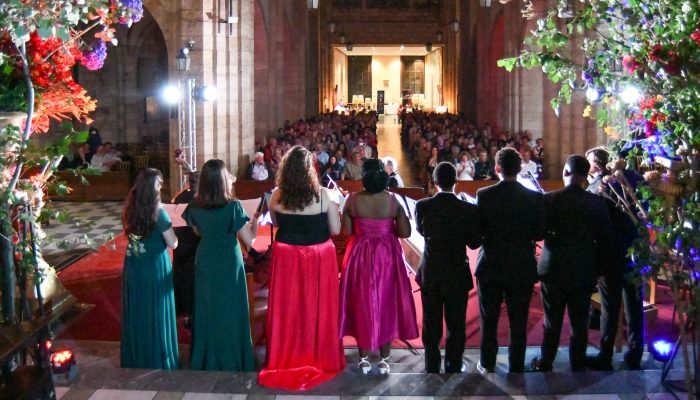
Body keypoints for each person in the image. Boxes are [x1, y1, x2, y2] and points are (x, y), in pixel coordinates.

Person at [258, 145, 345, 390]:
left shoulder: (277, 195)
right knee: (317, 305)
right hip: (317, 255)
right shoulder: (324, 195)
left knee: (289, 305)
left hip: (287, 255)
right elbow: (336, 230)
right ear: (310, 170)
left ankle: (287, 354)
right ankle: (317, 354)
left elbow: (276, 223)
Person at [530, 155, 611, 372]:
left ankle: (546, 361)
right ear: (586, 176)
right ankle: (577, 362)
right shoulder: (596, 202)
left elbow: (537, 232)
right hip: (583, 266)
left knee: (552, 319)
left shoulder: (548, 199)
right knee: (579, 320)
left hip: (554, 266)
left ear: (565, 172)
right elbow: (604, 239)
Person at [339, 158, 417, 375]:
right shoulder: (393, 200)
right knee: (386, 302)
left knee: (361, 301)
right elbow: (405, 232)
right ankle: (384, 359)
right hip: (386, 256)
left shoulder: (353, 200)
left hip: (360, 254)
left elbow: (347, 232)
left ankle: (363, 358)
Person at [183, 159, 259, 371]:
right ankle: (233, 355)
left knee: (208, 307)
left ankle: (206, 356)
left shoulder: (194, 205)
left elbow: (198, 231)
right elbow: (249, 240)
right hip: (229, 260)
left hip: (206, 257)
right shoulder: (233, 207)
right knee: (231, 308)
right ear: (225, 180)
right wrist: (255, 223)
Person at [475, 147, 546, 373]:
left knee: (489, 318)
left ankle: (487, 362)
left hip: (492, 264)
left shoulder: (484, 195)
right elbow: (539, 233)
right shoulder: (533, 197)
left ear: (497, 168)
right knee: (519, 319)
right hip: (521, 265)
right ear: (520, 169)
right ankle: (516, 364)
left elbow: (479, 230)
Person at [415, 162, 481, 373]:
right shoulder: (468, 209)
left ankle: (432, 365)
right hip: (456, 271)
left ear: (434, 182)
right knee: (456, 323)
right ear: (456, 181)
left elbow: (421, 230)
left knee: (431, 322)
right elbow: (474, 243)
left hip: (431, 271)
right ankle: (454, 364)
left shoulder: (422, 206)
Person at [585, 148, 645, 371]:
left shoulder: (597, 186)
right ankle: (635, 354)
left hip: (610, 253)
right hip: (635, 250)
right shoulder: (634, 179)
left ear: (596, 165)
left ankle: (606, 354)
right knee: (634, 304)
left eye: (589, 163)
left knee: (610, 306)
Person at [120, 168, 179, 369]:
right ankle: (157, 358)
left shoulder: (129, 209)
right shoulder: (159, 213)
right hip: (154, 266)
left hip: (134, 263)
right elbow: (173, 243)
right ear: (156, 187)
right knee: (156, 309)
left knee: (138, 308)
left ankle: (137, 355)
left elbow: (133, 235)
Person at [171, 171, 200, 325]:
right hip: (195, 241)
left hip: (182, 239)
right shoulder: (201, 198)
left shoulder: (180, 197)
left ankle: (182, 306)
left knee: (182, 272)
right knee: (192, 275)